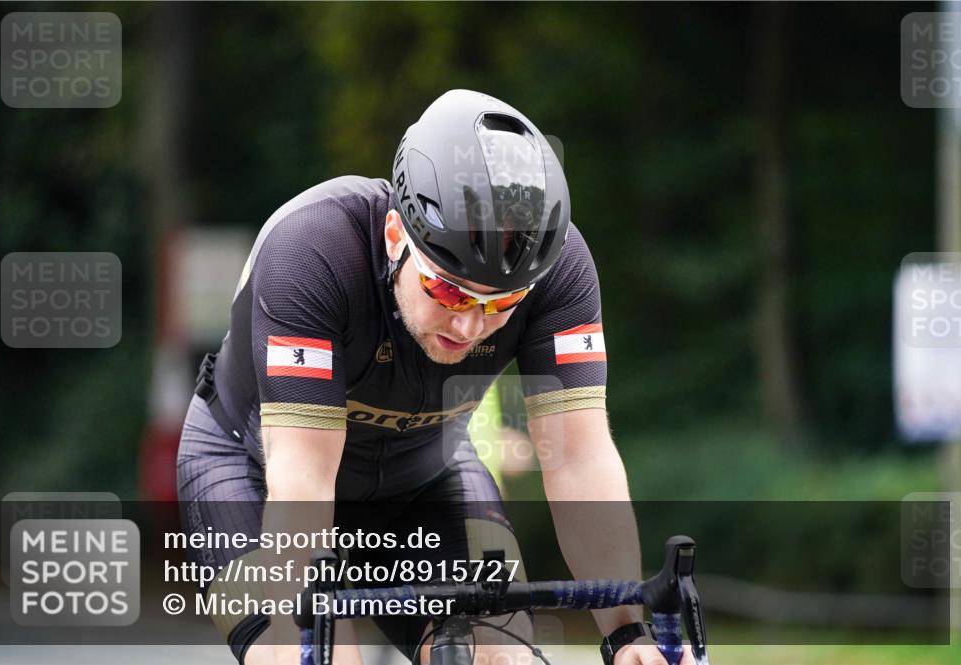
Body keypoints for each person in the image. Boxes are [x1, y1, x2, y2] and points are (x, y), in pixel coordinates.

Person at [177, 89, 691, 665]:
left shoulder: (561, 267)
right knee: (317, 657)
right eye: (448, 289)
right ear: (397, 237)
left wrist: (626, 632)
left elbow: (578, 459)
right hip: (256, 471)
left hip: (423, 474)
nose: (470, 324)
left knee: (501, 656)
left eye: (502, 304)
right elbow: (303, 477)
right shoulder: (315, 249)